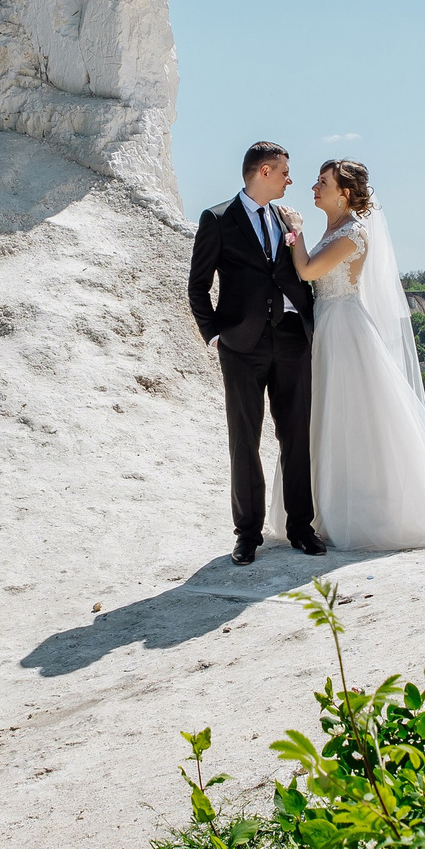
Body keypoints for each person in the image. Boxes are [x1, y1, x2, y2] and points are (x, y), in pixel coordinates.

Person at [279, 159, 425, 551]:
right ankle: (320, 509)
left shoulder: (352, 234)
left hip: (342, 326)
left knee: (349, 416)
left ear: (343, 193)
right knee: (323, 415)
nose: (314, 187)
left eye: (322, 182)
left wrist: (296, 231)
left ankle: (364, 513)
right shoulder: (334, 228)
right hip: (324, 323)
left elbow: (307, 272)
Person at [187, 142, 325, 564]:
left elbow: (298, 273)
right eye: (285, 171)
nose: (290, 180)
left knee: (296, 435)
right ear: (263, 171)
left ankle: (301, 527)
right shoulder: (217, 218)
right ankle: (247, 534)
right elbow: (198, 285)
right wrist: (215, 335)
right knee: (244, 441)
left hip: (290, 342)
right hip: (241, 348)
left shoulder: (287, 218)